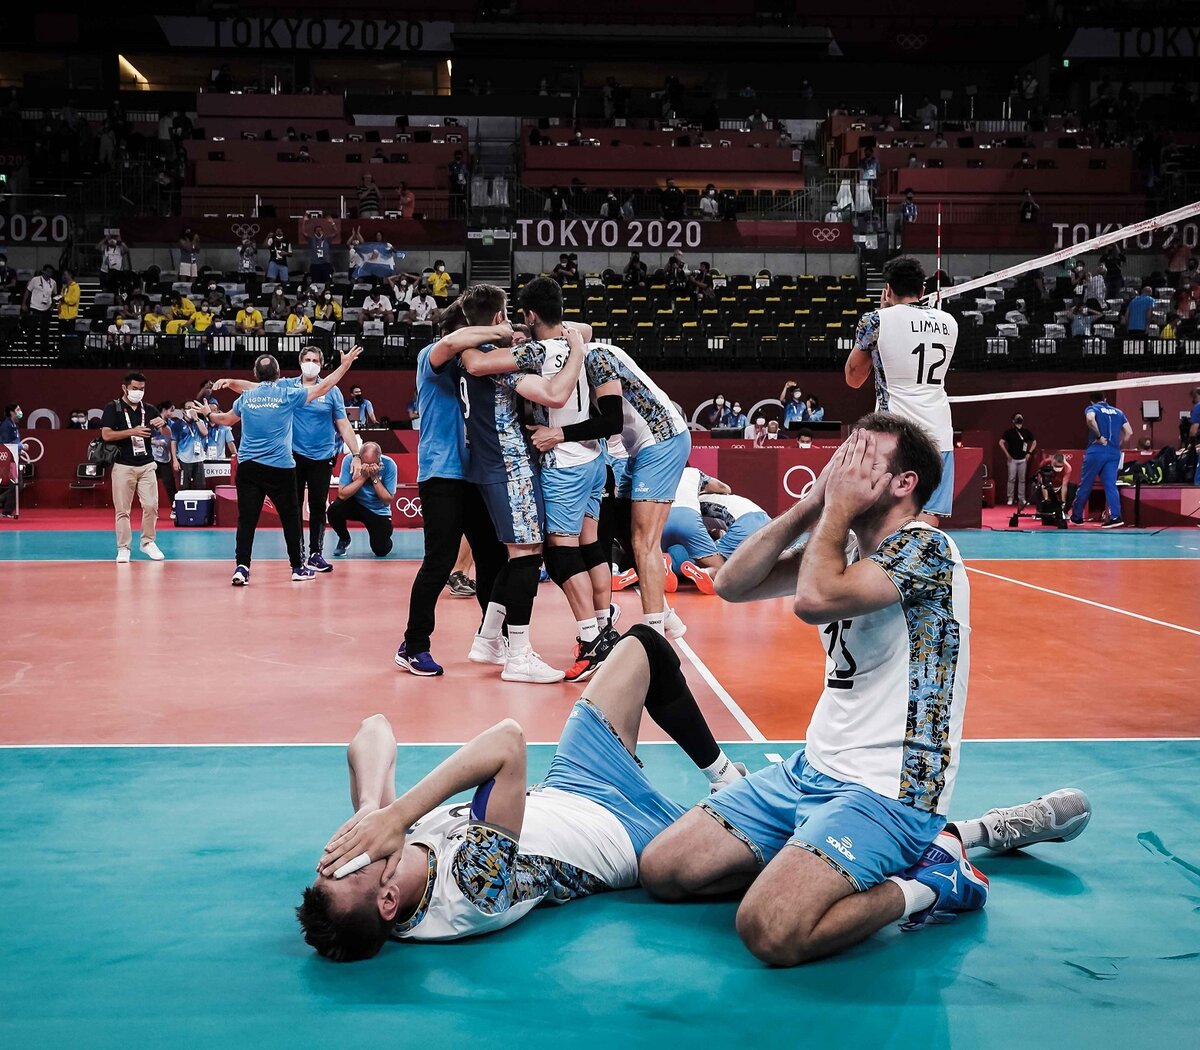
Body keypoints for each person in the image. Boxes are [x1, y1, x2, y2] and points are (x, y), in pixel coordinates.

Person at [639, 416, 984, 965]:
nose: (844, 467)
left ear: (904, 483)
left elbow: (813, 600)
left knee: (770, 929)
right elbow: (729, 584)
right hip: (812, 769)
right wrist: (813, 504)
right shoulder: (841, 542)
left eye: (863, 460)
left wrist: (837, 509)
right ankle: (810, 858)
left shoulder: (929, 550)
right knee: (663, 870)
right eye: (844, 455)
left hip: (889, 789)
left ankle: (934, 881)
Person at [302, 624, 747, 959]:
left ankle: (725, 775)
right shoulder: (470, 889)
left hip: (574, 782)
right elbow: (507, 742)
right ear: (388, 901)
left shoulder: (387, 849)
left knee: (641, 646)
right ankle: (739, 803)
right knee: (763, 830)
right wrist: (396, 816)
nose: (347, 856)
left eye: (331, 864)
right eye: (349, 871)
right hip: (633, 838)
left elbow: (373, 729)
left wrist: (368, 809)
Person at [466, 279, 621, 681]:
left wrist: (469, 339)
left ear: (530, 316)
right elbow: (582, 330)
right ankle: (599, 626)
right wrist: (571, 337)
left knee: (555, 554)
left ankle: (592, 640)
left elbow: (478, 365)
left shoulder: (533, 352)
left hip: (562, 463)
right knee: (587, 547)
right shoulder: (577, 339)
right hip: (593, 456)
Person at [396, 302, 507, 677]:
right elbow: (457, 340)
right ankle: (414, 645)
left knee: (491, 557)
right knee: (440, 562)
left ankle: (494, 637)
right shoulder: (433, 354)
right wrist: (499, 330)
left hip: (474, 473)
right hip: (441, 474)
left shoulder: (476, 359)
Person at [205, 347, 362, 585]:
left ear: (256, 375)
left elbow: (226, 419)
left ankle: (242, 568)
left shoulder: (247, 398)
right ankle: (298, 567)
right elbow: (323, 387)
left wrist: (209, 414)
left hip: (251, 467)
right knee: (291, 517)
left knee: (247, 520)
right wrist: (345, 366)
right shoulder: (287, 394)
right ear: (280, 374)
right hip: (282, 466)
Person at [845, 255, 959, 525]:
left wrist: (884, 313)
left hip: (895, 435)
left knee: (885, 514)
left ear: (887, 289)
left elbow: (853, 378)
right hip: (939, 433)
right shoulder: (950, 323)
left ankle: (881, 567)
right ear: (923, 290)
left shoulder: (876, 320)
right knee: (928, 515)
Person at [100, 372, 171, 563]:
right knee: (123, 510)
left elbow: (168, 435)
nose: (138, 392)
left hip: (147, 464)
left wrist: (163, 425)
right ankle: (123, 548)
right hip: (123, 466)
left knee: (151, 506)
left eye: (142, 389)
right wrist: (133, 432)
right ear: (124, 388)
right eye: (134, 389)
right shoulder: (112, 408)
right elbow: (106, 435)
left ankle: (147, 542)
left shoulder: (149, 409)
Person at [661, 466, 732, 593]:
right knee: (720, 570)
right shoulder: (693, 473)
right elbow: (724, 488)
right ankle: (704, 572)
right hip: (688, 519)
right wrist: (701, 491)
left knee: (648, 558)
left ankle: (663, 564)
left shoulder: (657, 470)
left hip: (660, 518)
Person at [1068, 393, 1132, 529]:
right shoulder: (1119, 412)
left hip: (1096, 450)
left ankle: (1077, 517)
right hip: (1114, 453)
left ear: (1092, 401)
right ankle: (1116, 517)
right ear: (1105, 399)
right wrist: (1119, 446)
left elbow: (1090, 419)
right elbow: (1129, 432)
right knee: (1111, 485)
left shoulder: (1093, 409)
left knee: (1086, 484)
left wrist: (1098, 436)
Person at [327, 442, 396, 558]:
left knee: (381, 550)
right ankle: (344, 538)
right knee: (334, 510)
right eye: (365, 463)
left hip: (377, 511)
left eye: (372, 464)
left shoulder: (389, 465)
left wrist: (374, 478)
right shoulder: (350, 461)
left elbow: (387, 500)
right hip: (356, 503)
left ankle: (385, 532)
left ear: (379, 460)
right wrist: (363, 477)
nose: (368, 468)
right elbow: (342, 494)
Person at [999, 412, 1037, 505]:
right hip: (1012, 459)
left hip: (1023, 459)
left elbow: (1034, 442)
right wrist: (1007, 454)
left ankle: (1022, 498)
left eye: (1020, 417)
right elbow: (1001, 442)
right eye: (1017, 417)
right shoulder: (1009, 432)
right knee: (1011, 479)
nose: (1019, 418)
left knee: (1022, 480)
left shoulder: (1026, 432)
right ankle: (1010, 498)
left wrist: (1029, 453)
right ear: (1013, 420)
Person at [172, 402, 209, 491]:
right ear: (183, 411)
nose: (191, 410)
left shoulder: (200, 422)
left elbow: (205, 433)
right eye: (189, 408)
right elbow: (173, 442)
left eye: (193, 407)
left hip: (198, 459)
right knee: (184, 486)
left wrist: (196, 419)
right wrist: (175, 460)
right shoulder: (177, 424)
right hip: (184, 459)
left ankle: (199, 504)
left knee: (200, 486)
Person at [22, 264, 57, 352]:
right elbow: (27, 291)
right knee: (32, 329)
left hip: (46, 309)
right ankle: (29, 349)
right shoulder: (35, 280)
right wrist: (23, 304)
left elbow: (55, 295)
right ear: (43, 271)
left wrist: (53, 306)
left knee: (45, 330)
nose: (50, 274)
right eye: (48, 271)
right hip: (34, 307)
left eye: (51, 272)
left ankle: (44, 349)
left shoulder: (53, 282)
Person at [0, 403, 19, 517]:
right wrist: (20, 446)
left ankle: (7, 511)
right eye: (18, 409)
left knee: (16, 483)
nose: (20, 411)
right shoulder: (6, 425)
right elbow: (6, 443)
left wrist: (19, 447)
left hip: (13, 458)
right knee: (16, 483)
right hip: (7, 459)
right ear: (12, 412)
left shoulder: (13, 424)